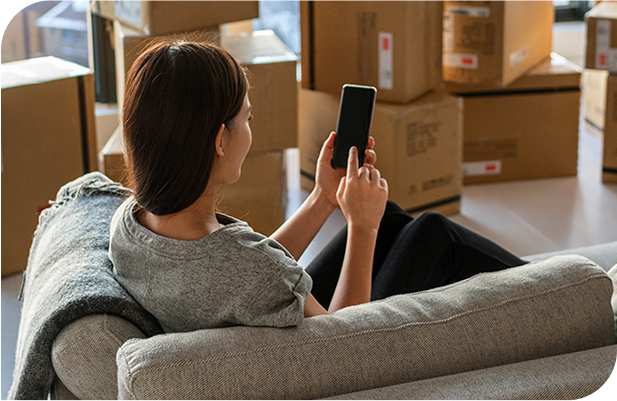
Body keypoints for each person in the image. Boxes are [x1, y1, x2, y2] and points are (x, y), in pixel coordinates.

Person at [109, 39, 526, 333]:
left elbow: (238, 271)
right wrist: (362, 228)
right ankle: (561, 290)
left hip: (246, 313)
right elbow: (344, 343)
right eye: (248, 119)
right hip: (333, 349)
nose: (251, 131)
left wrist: (324, 197)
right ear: (220, 140)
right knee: (433, 233)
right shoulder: (250, 271)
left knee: (396, 220)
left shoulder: (129, 223)